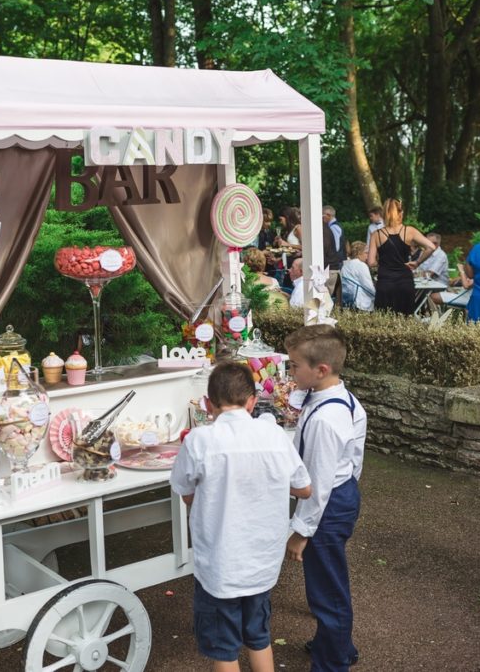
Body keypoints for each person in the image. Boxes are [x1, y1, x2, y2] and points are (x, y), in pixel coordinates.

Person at [171, 362, 312, 672]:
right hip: (262, 565)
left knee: (224, 647)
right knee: (259, 637)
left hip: (220, 567)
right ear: (252, 401)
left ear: (207, 404)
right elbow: (304, 489)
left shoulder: (199, 441)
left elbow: (186, 494)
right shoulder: (274, 436)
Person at [284, 324, 367, 670]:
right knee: (329, 579)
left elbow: (317, 482)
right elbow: (354, 459)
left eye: (294, 366)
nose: (290, 371)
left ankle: (332, 661)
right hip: (343, 494)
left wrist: (302, 532)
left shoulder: (324, 420)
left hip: (328, 504)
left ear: (320, 370)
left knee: (327, 589)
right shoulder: (342, 399)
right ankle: (337, 645)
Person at [367, 198, 435, 314]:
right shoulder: (409, 231)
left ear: (384, 214)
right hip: (404, 281)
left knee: (383, 322)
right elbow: (431, 247)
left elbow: (371, 262)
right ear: (401, 213)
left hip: (385, 282)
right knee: (404, 321)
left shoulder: (376, 235)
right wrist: (418, 262)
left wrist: (383, 263)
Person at [340, 241, 375, 311]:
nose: (367, 256)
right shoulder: (361, 265)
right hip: (361, 303)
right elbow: (368, 286)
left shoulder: (345, 265)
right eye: (366, 253)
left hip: (347, 300)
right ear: (359, 253)